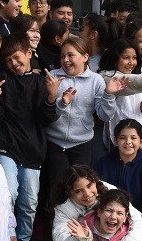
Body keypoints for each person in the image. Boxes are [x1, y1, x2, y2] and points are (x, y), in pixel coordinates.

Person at [0, 32, 61, 241]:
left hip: (34, 150)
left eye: (17, 58)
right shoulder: (3, 80)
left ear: (29, 53)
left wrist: (52, 97)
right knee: (10, 193)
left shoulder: (41, 81)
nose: (14, 64)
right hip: (6, 148)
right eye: (9, 61)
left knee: (29, 202)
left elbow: (47, 119)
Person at [43, 37, 125, 193]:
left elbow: (104, 115)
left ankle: (78, 218)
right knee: (56, 189)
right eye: (62, 56)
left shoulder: (96, 80)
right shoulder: (53, 76)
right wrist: (59, 100)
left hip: (82, 143)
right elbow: (46, 114)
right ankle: (54, 217)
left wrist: (108, 94)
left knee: (80, 188)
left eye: (70, 55)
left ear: (85, 57)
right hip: (54, 142)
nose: (65, 60)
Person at [50, 165, 142, 241]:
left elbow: (136, 218)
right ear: (69, 193)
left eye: (89, 186)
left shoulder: (109, 191)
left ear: (95, 181)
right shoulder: (64, 208)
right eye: (78, 191)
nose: (87, 194)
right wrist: (80, 240)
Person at [97, 38, 142, 155]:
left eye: (134, 58)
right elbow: (129, 82)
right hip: (124, 143)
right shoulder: (106, 77)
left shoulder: (139, 74)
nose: (131, 62)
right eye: (126, 58)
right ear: (115, 59)